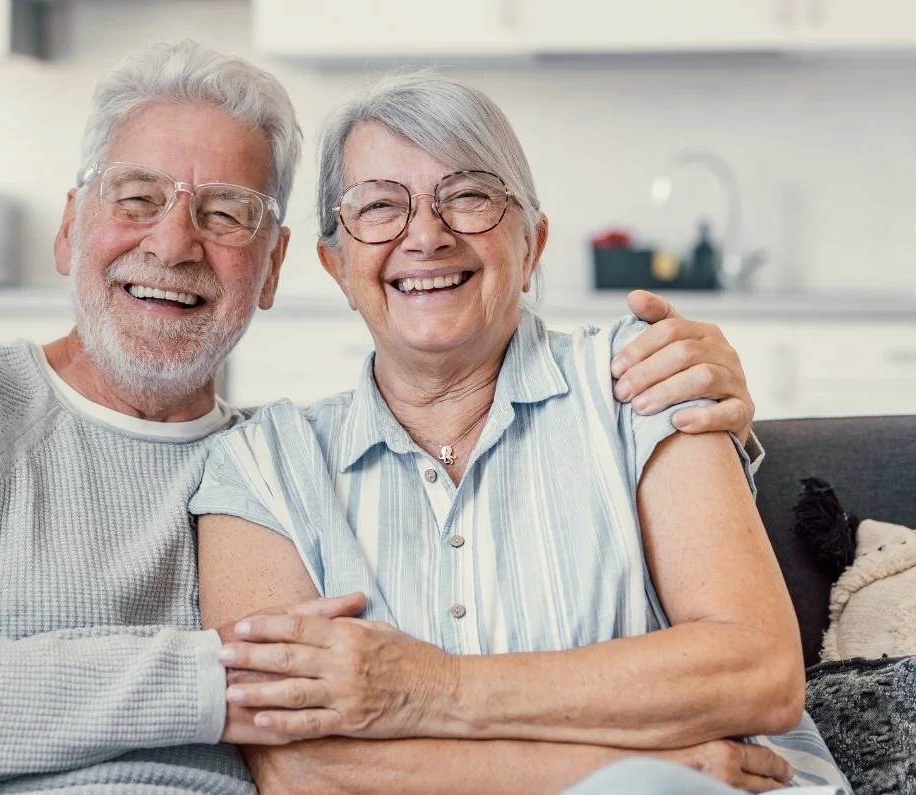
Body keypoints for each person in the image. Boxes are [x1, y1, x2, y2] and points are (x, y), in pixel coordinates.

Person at [0, 42, 762, 794]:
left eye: (226, 213)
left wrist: (709, 419)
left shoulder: (267, 462)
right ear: (71, 228)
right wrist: (220, 678)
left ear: (278, 266)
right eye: (138, 199)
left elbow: (338, 749)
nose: (175, 245)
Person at [191, 72, 851, 795]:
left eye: (469, 196)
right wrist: (627, 763)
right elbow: (302, 767)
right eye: (379, 207)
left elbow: (755, 672)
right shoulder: (261, 466)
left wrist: (426, 688)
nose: (427, 235)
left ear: (531, 242)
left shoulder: (641, 376)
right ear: (337, 267)